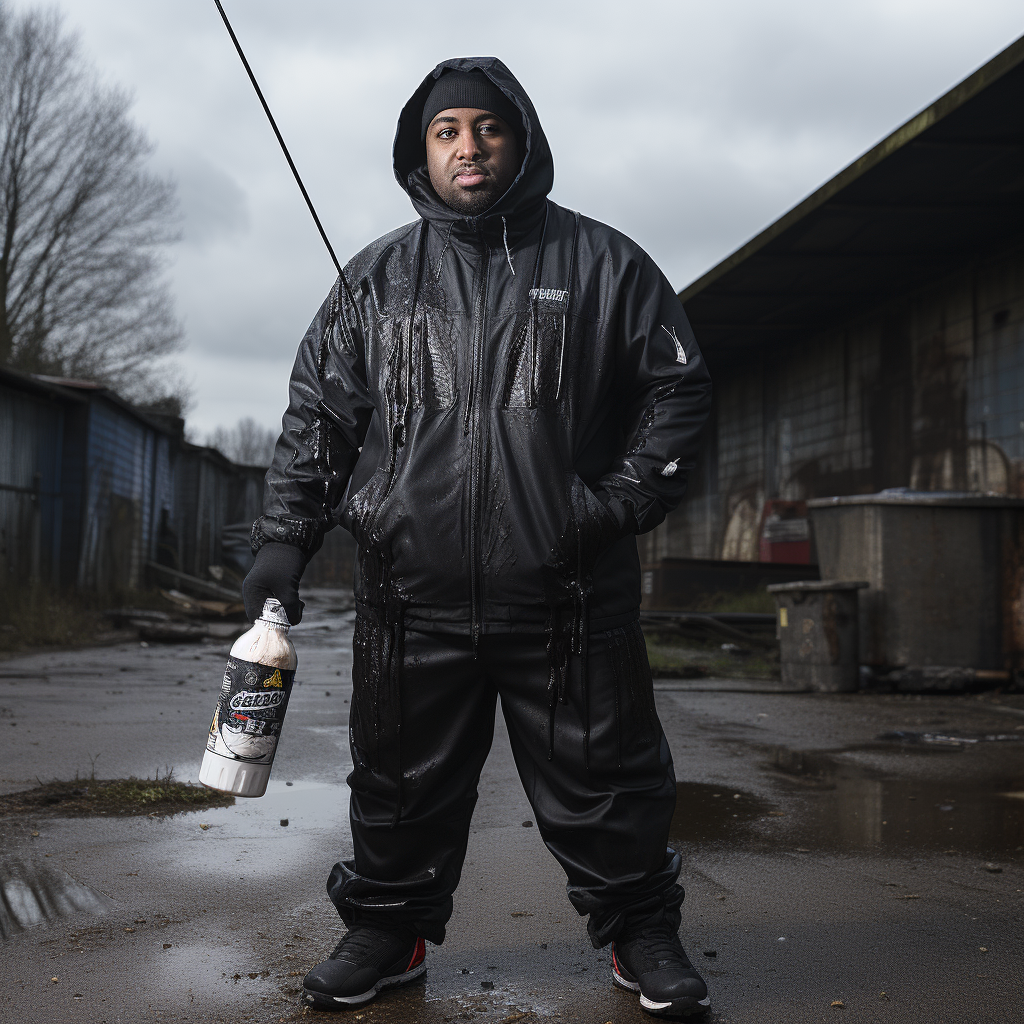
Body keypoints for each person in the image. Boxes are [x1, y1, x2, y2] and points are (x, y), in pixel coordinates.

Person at [243, 57, 713, 1019]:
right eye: (447, 130)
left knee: (609, 778)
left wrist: (612, 505)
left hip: (571, 594)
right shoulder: (375, 279)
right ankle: (388, 927)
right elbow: (316, 420)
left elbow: (680, 391)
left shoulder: (605, 266)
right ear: (422, 150)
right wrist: (286, 538)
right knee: (397, 781)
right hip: (410, 594)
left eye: (487, 128)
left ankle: (639, 932)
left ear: (522, 139)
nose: (469, 146)